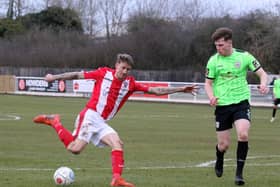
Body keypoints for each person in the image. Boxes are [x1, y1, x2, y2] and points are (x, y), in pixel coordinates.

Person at [33, 53, 198, 187]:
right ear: (117, 65)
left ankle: (117, 179)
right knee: (74, 149)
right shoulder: (103, 73)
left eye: (128, 69)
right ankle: (55, 121)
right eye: (123, 67)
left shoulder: (130, 83)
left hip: (101, 121)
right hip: (90, 115)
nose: (125, 71)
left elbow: (155, 90)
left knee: (117, 143)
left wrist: (180, 89)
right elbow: (76, 74)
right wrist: (54, 77)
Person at [204, 27, 268, 186]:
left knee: (243, 135)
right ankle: (219, 157)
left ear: (229, 42)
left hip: (241, 103)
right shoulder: (213, 61)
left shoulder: (244, 56)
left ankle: (239, 174)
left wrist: (263, 84)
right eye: (216, 46)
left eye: (221, 45)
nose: (218, 48)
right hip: (222, 106)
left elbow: (262, 74)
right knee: (224, 145)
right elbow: (208, 83)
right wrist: (211, 97)